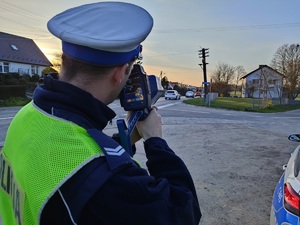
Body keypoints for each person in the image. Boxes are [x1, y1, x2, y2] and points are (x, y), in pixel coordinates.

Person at [0, 2, 201, 225]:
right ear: (120, 72)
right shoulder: (107, 182)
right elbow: (183, 210)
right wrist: (155, 142)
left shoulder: (27, 115)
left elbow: (70, 158)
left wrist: (126, 141)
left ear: (64, 60)